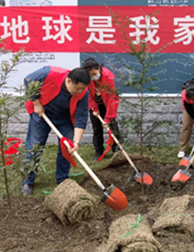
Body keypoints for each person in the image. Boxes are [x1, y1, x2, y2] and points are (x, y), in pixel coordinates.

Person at [21, 66, 90, 196]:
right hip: (42, 113)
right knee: (34, 146)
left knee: (67, 148)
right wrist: (36, 103)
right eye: (78, 88)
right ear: (69, 81)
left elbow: (81, 117)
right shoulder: (50, 73)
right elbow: (28, 80)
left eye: (82, 88)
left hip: (65, 118)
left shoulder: (83, 92)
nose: (80, 91)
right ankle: (27, 180)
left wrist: (76, 142)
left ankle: (62, 180)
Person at [81, 57, 122, 161]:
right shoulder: (86, 78)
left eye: (94, 74)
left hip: (108, 104)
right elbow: (88, 93)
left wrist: (108, 118)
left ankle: (116, 150)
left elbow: (112, 98)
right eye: (91, 76)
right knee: (97, 129)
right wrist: (94, 108)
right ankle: (99, 151)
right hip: (95, 105)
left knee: (112, 127)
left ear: (98, 68)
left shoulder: (107, 77)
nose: (93, 77)